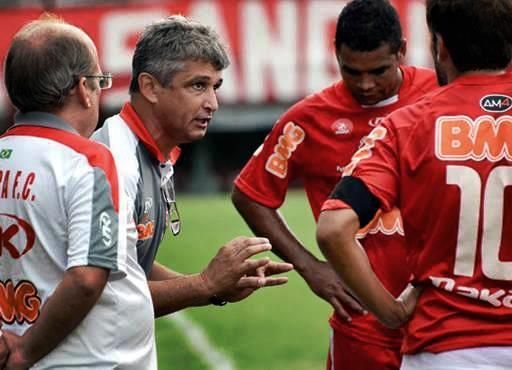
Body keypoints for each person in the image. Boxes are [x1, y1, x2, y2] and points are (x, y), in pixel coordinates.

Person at [231, 1, 438, 369]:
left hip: (443, 310)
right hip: (362, 320)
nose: (365, 84)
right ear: (335, 55)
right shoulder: (309, 119)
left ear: (402, 50)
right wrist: (310, 267)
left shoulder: (440, 94)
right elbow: (249, 193)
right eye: (351, 71)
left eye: (378, 70)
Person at [316, 0, 512, 369]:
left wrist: (389, 312)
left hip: (447, 346)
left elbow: (334, 228)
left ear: (439, 46)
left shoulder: (406, 125)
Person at [93, 15, 293, 320]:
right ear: (149, 87)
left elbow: (131, 267)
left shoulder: (150, 154)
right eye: (198, 85)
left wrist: (215, 287)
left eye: (215, 87)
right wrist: (205, 284)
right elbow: (107, 294)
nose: (213, 102)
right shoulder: (115, 162)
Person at [0, 15, 156, 369]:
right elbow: (87, 276)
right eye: (100, 81)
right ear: (82, 88)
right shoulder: (89, 159)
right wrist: (26, 351)